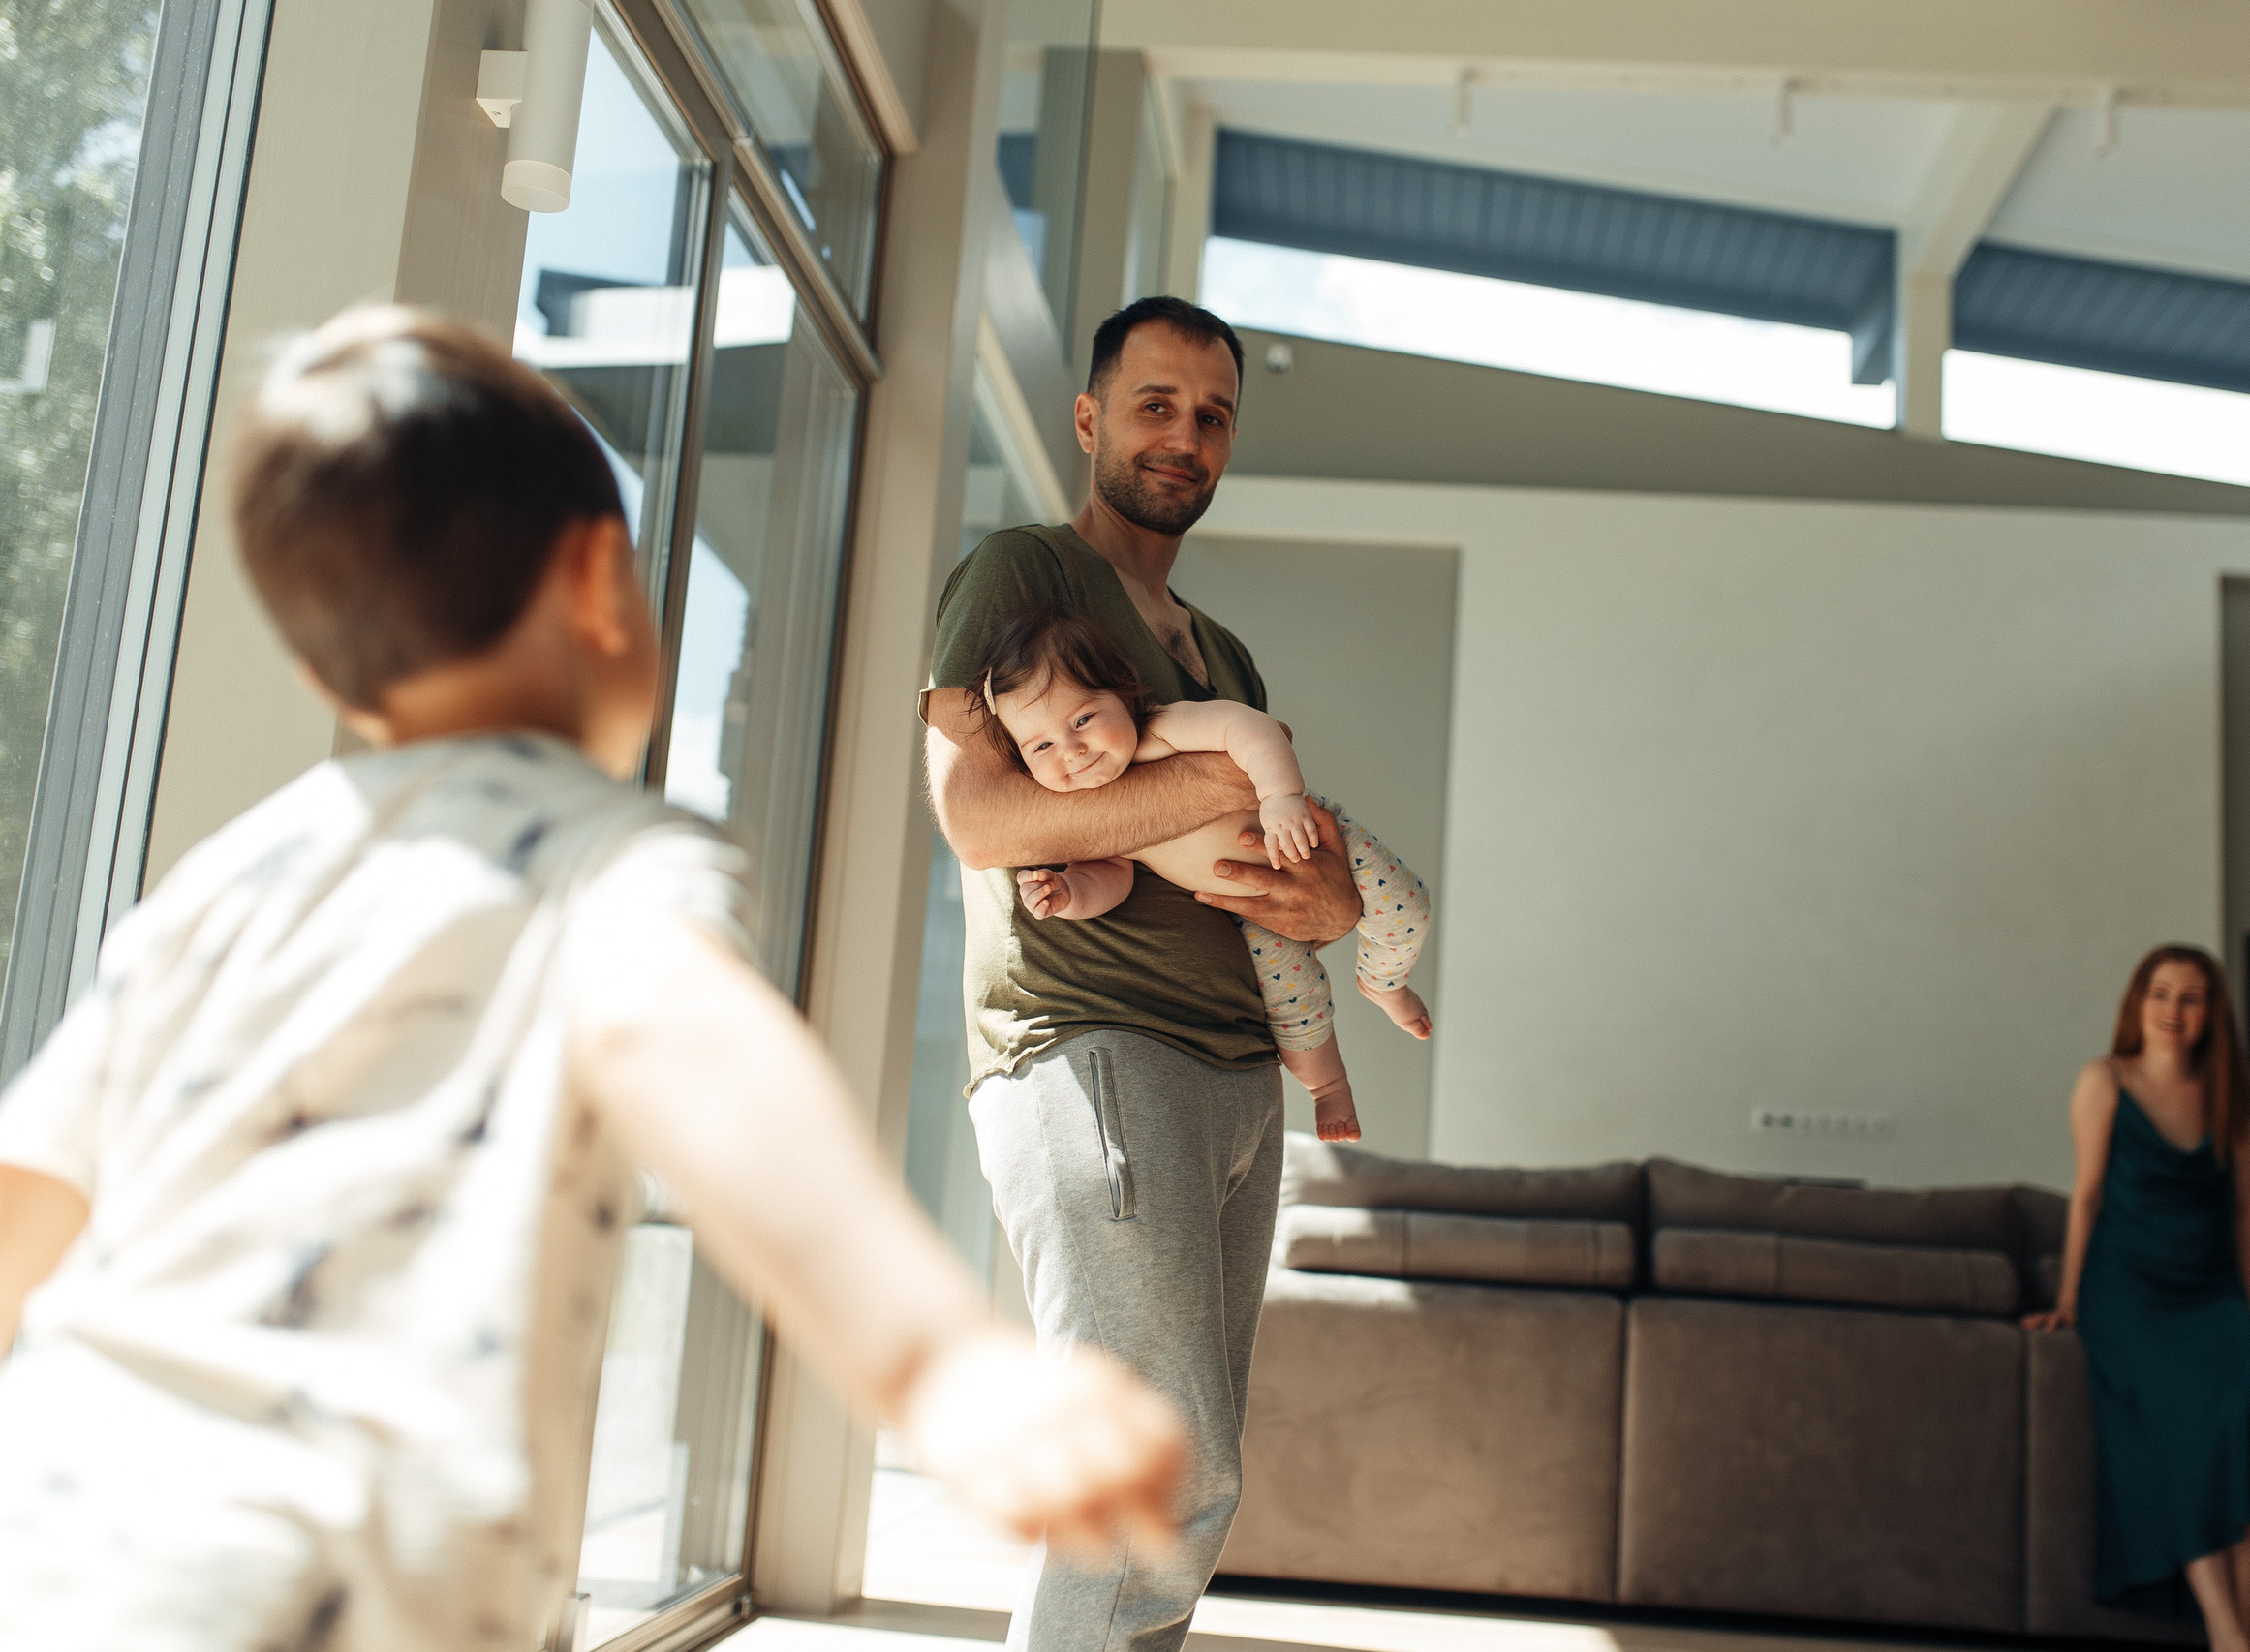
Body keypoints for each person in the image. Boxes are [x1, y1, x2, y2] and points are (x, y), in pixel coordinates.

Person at [0, 306, 1187, 1652]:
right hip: (348, 1569)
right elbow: (686, 1044)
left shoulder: (224, 880)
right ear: (592, 584)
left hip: (58, 1524)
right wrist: (938, 1361)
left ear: (315, 659)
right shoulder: (601, 852)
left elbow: (30, 1186)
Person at [919, 296, 1365, 1652]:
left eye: (1213, 414)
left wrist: (1337, 894)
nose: (1185, 436)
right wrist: (1196, 789)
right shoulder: (1021, 580)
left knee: (1194, 1473)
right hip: (1091, 1044)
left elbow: (1296, 883)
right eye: (1157, 404)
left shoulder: (1222, 657)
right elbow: (982, 818)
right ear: (1092, 418)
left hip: (1235, 1073)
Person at [969, 606, 1433, 1144]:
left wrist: (1280, 797)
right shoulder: (1095, 820)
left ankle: (1386, 982)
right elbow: (1111, 881)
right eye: (1041, 745)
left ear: (1121, 693)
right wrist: (1068, 892)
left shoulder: (1160, 732)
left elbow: (1249, 727)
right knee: (1293, 1009)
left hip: (1310, 835)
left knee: (1407, 906)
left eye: (1082, 720)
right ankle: (1328, 1088)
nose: (1071, 752)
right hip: (1251, 916)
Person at [2022, 944, 2250, 1651]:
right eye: (2159, 993)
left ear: (2212, 1012)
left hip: (2210, 1291)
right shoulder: (2104, 1081)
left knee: (2238, 1410)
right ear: (2137, 1002)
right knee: (2187, 1435)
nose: (2172, 1010)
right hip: (2126, 1290)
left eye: (2190, 997)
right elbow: (2087, 1194)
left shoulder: (2234, 1092)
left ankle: (2238, 1624)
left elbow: (2243, 1211)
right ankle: (2228, 1635)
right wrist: (2069, 1296)